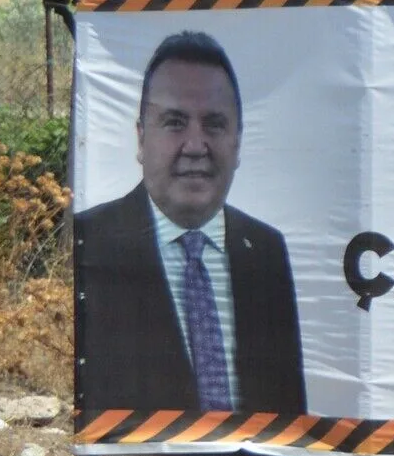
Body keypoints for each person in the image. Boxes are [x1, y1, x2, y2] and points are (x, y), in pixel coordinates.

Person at [75, 31, 307, 417]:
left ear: (238, 142)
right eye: (175, 122)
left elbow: (287, 412)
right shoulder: (89, 241)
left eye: (214, 124)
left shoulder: (265, 250)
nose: (196, 145)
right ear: (141, 137)